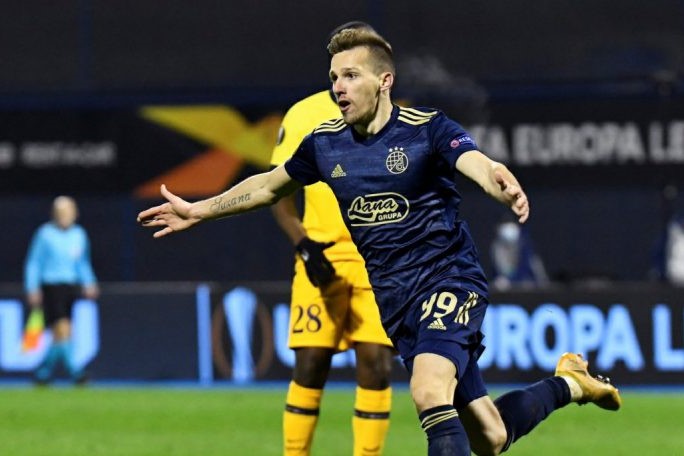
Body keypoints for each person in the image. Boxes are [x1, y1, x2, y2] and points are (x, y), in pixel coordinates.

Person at [138, 26, 622, 455]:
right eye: (334, 77)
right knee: (490, 436)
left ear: (384, 81)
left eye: (350, 76)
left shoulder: (426, 129)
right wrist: (198, 209)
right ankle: (569, 383)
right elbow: (268, 186)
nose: (338, 87)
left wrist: (498, 179)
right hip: (395, 300)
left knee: (428, 391)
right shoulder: (325, 144)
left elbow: (474, 162)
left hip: (448, 281)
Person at [270, 21, 394, 456]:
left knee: (376, 364)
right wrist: (303, 245)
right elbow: (276, 192)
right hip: (320, 255)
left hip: (377, 261)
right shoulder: (303, 115)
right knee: (311, 364)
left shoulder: (398, 120)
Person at [25, 196, 98, 384]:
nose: (64, 216)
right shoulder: (45, 234)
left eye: (68, 212)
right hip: (51, 286)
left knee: (62, 334)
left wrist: (89, 282)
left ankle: (43, 373)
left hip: (70, 287)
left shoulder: (79, 234)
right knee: (63, 329)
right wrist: (32, 287)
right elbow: (34, 262)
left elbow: (82, 262)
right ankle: (76, 372)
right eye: (60, 212)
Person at [490, 216, 548, 290]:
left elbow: (536, 270)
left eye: (511, 227)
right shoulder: (496, 247)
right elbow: (500, 271)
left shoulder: (525, 245)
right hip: (507, 288)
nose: (509, 231)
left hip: (528, 286)